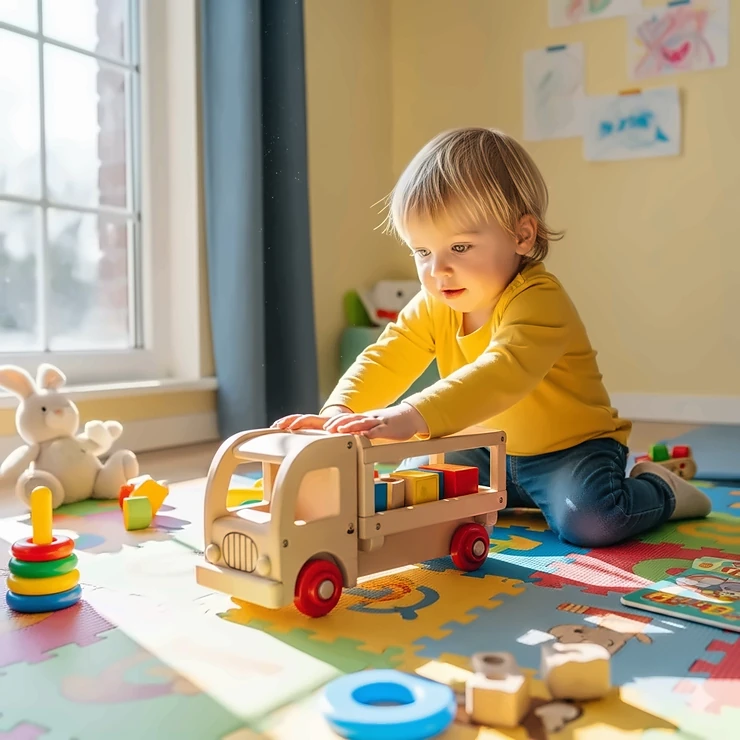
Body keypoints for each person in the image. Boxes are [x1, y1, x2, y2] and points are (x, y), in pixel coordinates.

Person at [272, 126, 711, 547]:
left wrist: (412, 415)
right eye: (422, 251)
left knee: (592, 520)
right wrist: (338, 412)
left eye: (459, 248)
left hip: (570, 452)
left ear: (522, 236)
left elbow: (502, 373)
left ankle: (660, 487)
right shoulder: (435, 303)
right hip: (481, 450)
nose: (437, 270)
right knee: (409, 487)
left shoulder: (540, 299)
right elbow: (388, 355)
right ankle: (504, 496)